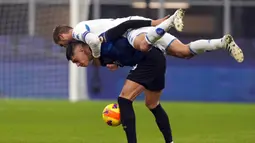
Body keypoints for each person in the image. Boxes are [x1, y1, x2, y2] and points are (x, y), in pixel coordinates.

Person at [66, 19, 175, 143]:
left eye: (75, 60)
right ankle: (170, 141)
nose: (77, 64)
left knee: (124, 100)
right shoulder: (102, 59)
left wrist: (153, 22)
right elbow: (125, 55)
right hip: (155, 58)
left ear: (81, 50)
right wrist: (119, 64)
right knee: (152, 104)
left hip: (148, 59)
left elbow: (127, 25)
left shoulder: (104, 38)